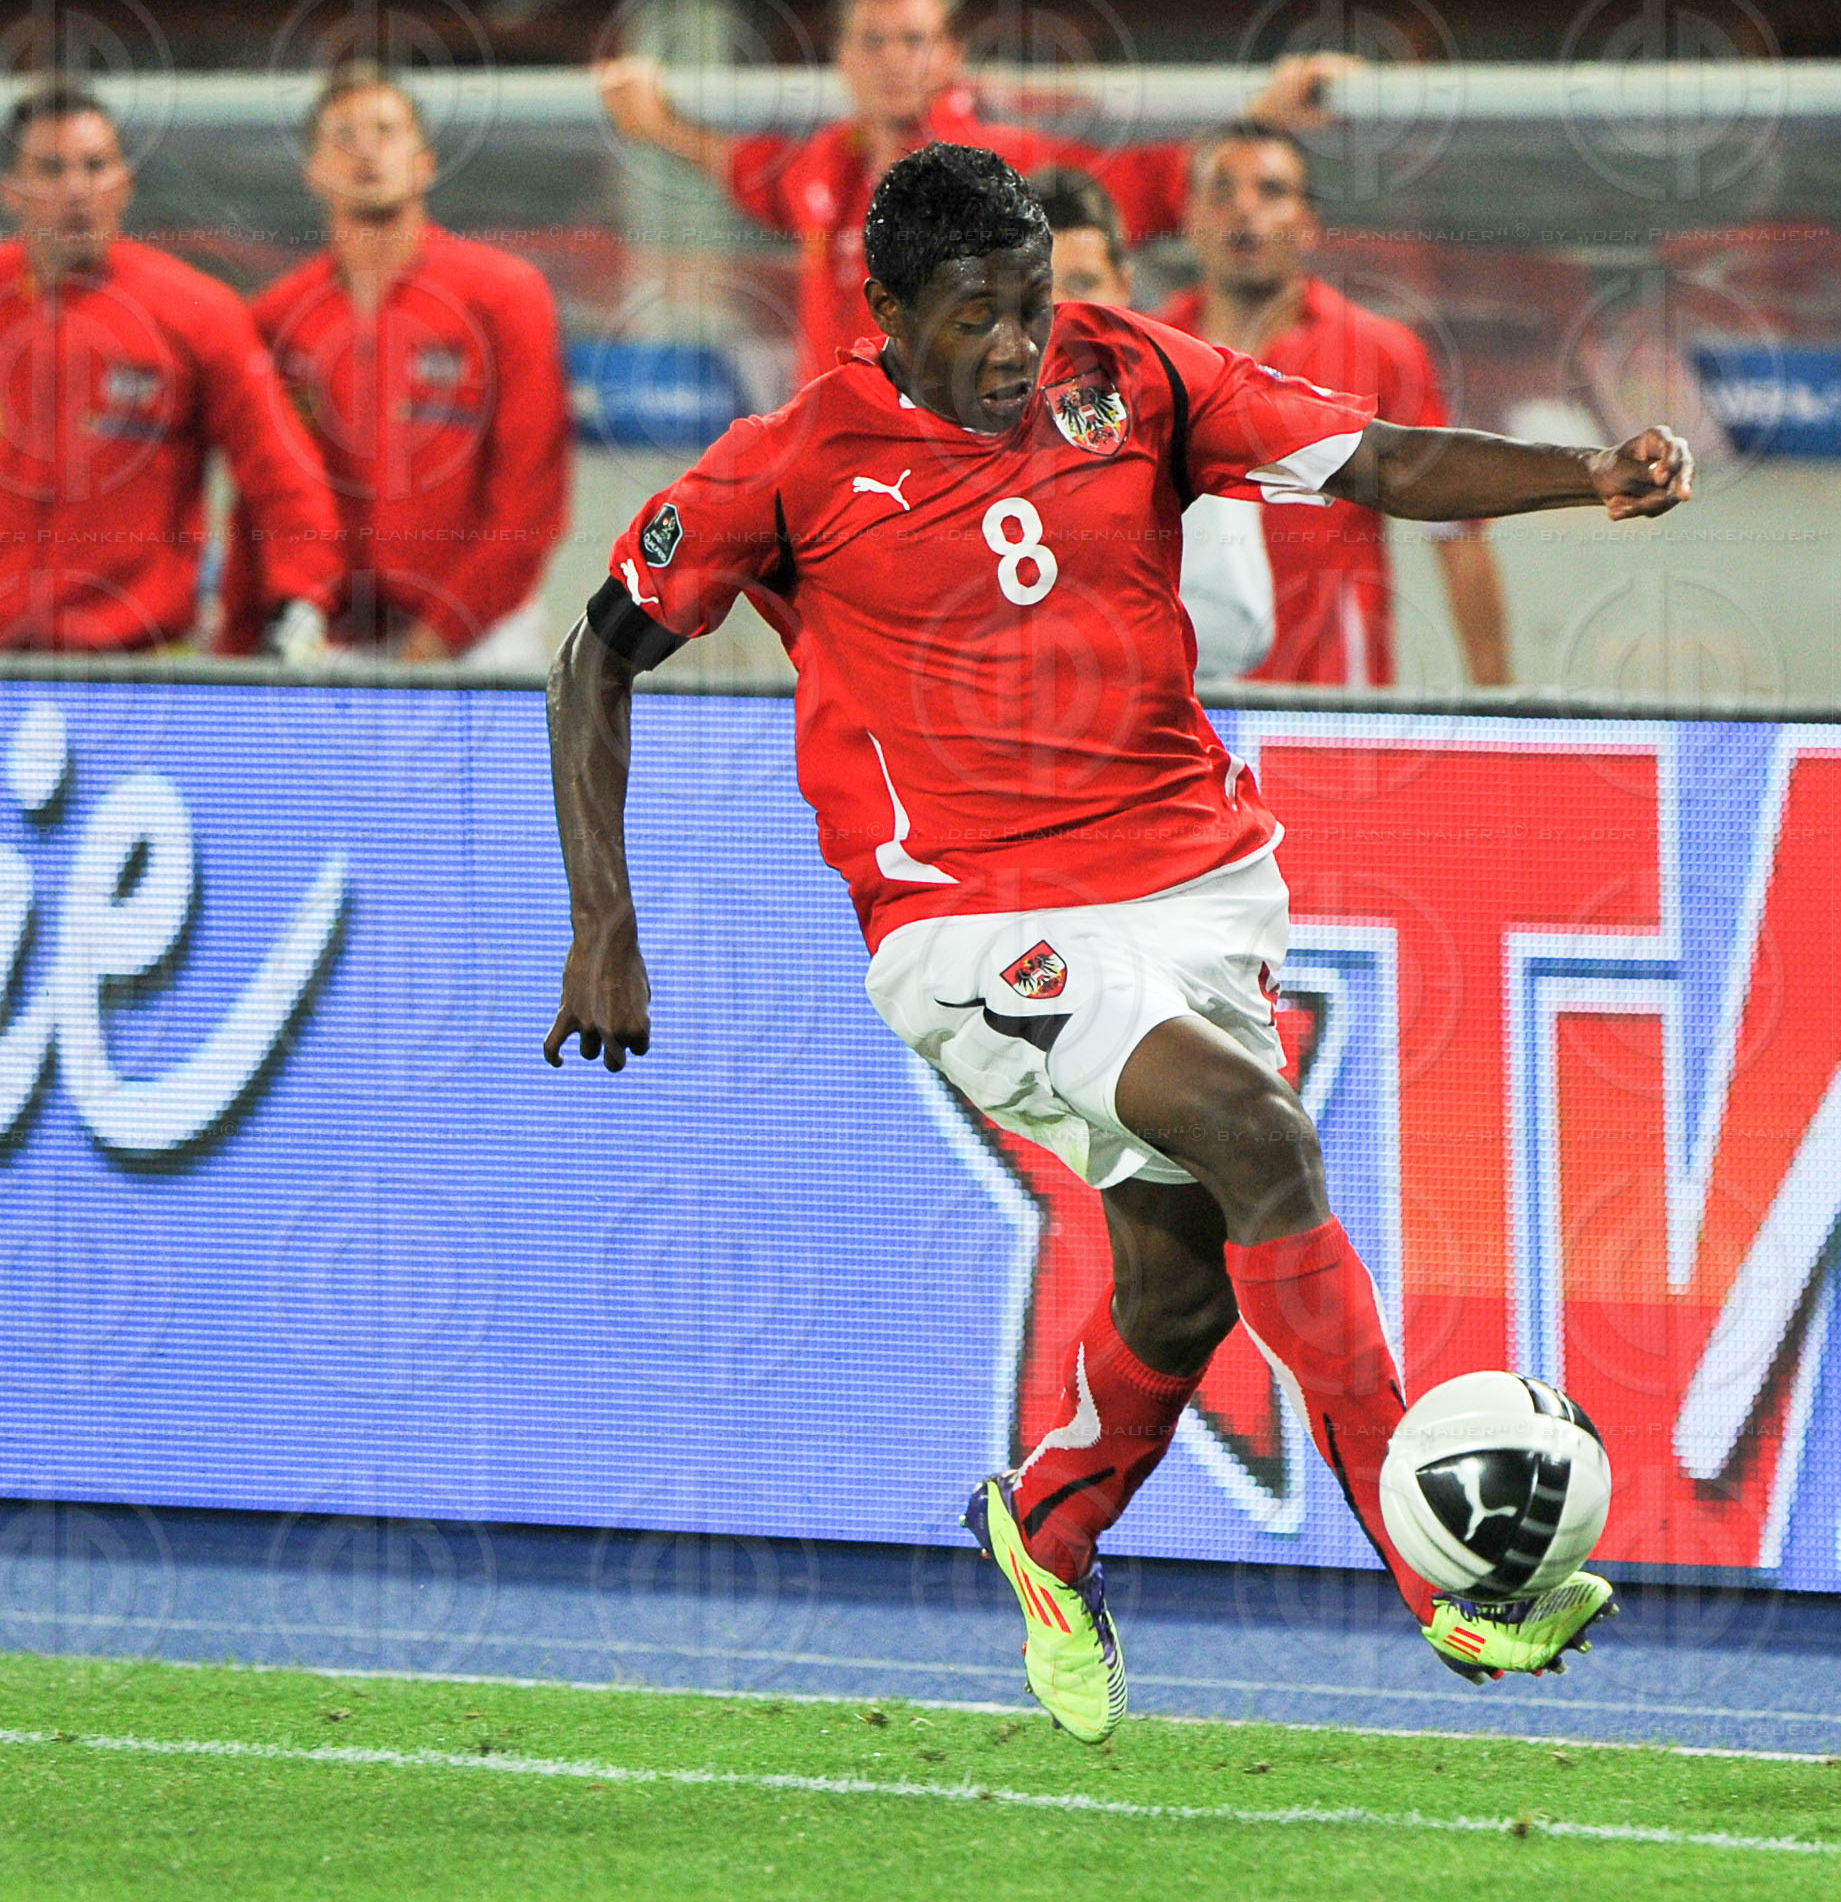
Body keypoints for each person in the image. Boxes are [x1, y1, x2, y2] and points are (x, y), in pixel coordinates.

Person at [544, 145, 1690, 1739]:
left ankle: (1050, 1527)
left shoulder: (1133, 376)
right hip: (972, 918)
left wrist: (1584, 477)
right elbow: (590, 665)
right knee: (1255, 1134)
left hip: (1196, 885)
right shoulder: (788, 463)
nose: (1017, 348)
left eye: (1032, 305)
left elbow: (1369, 460)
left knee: (1179, 1282)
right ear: (883, 310)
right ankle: (1440, 1581)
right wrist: (607, 922)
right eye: (974, 318)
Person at [0, 81, 341, 659]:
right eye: (52, 170)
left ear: (124, 184)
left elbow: (280, 470)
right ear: (12, 191)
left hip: (142, 664)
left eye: (96, 166)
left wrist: (301, 599)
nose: (78, 189)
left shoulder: (198, 313)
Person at [599, 0, 1334, 386]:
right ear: (844, 57)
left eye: (915, 40)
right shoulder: (824, 166)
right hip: (837, 472)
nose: (894, 61)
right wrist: (657, 121)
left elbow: (1151, 183)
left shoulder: (1000, 163)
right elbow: (750, 171)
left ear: (949, 54)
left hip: (961, 468)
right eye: (874, 41)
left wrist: (1266, 114)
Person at [224, 62, 572, 666]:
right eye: (343, 136)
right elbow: (263, 496)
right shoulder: (279, 318)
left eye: (385, 131)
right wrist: (242, 638)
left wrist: (434, 646)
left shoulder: (504, 295)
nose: (366, 151)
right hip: (334, 639)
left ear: (425, 161)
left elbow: (530, 500)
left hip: (480, 634)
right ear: (313, 171)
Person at [1159, 122, 1512, 688]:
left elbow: (1458, 533)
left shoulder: (1381, 353)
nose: (1244, 210)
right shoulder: (1146, 352)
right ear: (1187, 218)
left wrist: (1503, 712)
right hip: (1180, 703)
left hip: (1330, 710)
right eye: (1221, 191)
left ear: (1308, 225)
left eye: (1271, 192)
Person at [1032, 164, 1274, 683]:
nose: (1062, 309)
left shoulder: (1186, 412)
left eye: (1083, 283)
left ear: (1123, 285)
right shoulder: (962, 428)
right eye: (1041, 288)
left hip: (1161, 745)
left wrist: (1064, 629)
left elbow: (1238, 628)